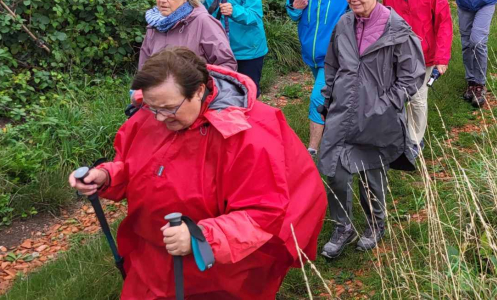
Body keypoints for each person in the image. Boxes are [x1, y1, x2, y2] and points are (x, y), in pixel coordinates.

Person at [69, 47, 327, 299]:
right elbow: (136, 165)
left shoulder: (248, 135)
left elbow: (263, 213)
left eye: (169, 108)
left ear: (199, 91)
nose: (158, 118)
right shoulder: (155, 112)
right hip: (152, 259)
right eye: (151, 107)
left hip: (220, 268)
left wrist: (199, 236)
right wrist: (106, 177)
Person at [318, 0, 425, 259]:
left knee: (369, 177)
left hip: (378, 118)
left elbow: (412, 74)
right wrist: (328, 97)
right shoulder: (343, 25)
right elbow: (332, 65)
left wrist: (387, 103)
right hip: (341, 113)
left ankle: (375, 225)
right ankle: (343, 227)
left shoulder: (397, 29)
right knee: (333, 171)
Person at [382, 0, 453, 154]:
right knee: (397, 97)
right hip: (397, 53)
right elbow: (384, 19)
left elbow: (444, 22)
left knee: (418, 98)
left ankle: (414, 142)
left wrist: (442, 58)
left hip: (424, 54)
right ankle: (399, 136)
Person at [286, 0, 349, 157]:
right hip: (310, 54)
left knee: (317, 97)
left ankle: (313, 149)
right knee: (331, 96)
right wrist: (295, 7)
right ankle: (342, 129)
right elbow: (292, 14)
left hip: (334, 53)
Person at [139, 0, 236, 72]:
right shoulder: (154, 24)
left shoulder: (203, 22)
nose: (162, 0)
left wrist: (200, 86)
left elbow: (226, 65)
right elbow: (143, 69)